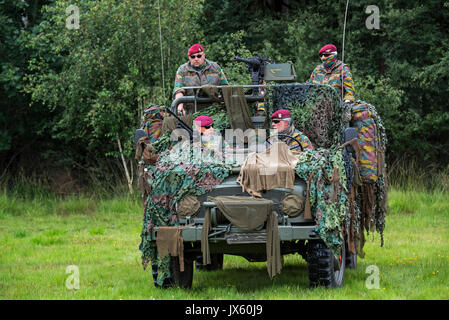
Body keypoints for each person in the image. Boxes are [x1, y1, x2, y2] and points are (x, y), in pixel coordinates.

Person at [173, 44, 229, 115]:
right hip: (192, 112)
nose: (196, 59)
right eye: (193, 57)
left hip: (214, 111)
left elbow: (225, 87)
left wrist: (225, 104)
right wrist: (179, 105)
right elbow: (178, 89)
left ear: (204, 55)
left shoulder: (215, 68)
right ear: (189, 58)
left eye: (199, 56)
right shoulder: (182, 70)